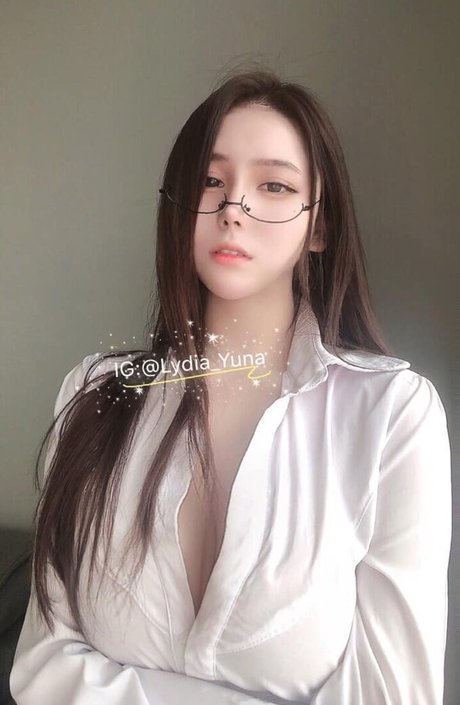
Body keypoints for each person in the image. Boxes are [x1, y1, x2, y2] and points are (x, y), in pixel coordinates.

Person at [10, 70, 452, 705]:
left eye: (274, 186)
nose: (232, 209)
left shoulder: (391, 417)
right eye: (210, 181)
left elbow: (393, 692)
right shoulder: (95, 394)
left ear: (318, 227)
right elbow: (43, 668)